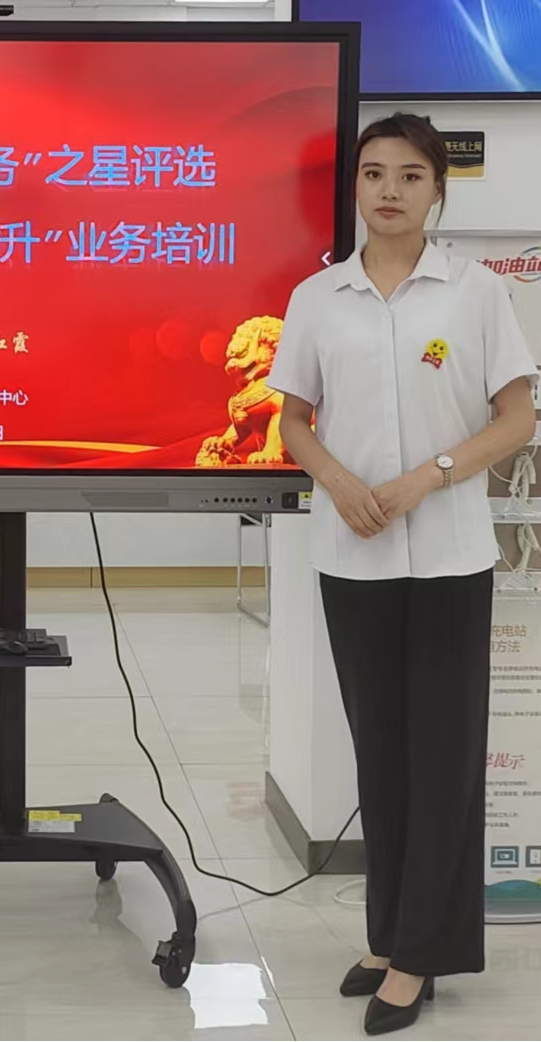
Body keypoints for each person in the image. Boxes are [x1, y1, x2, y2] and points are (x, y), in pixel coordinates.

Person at [268, 114, 537, 1037]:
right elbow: (292, 419)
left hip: (450, 557)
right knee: (379, 752)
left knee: (443, 756)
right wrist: (338, 482)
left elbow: (516, 419)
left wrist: (430, 476)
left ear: (436, 191)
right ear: (354, 186)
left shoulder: (473, 293)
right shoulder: (318, 296)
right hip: (352, 556)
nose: (389, 190)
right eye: (374, 173)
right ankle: (389, 937)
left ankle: (420, 952)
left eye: (410, 176)